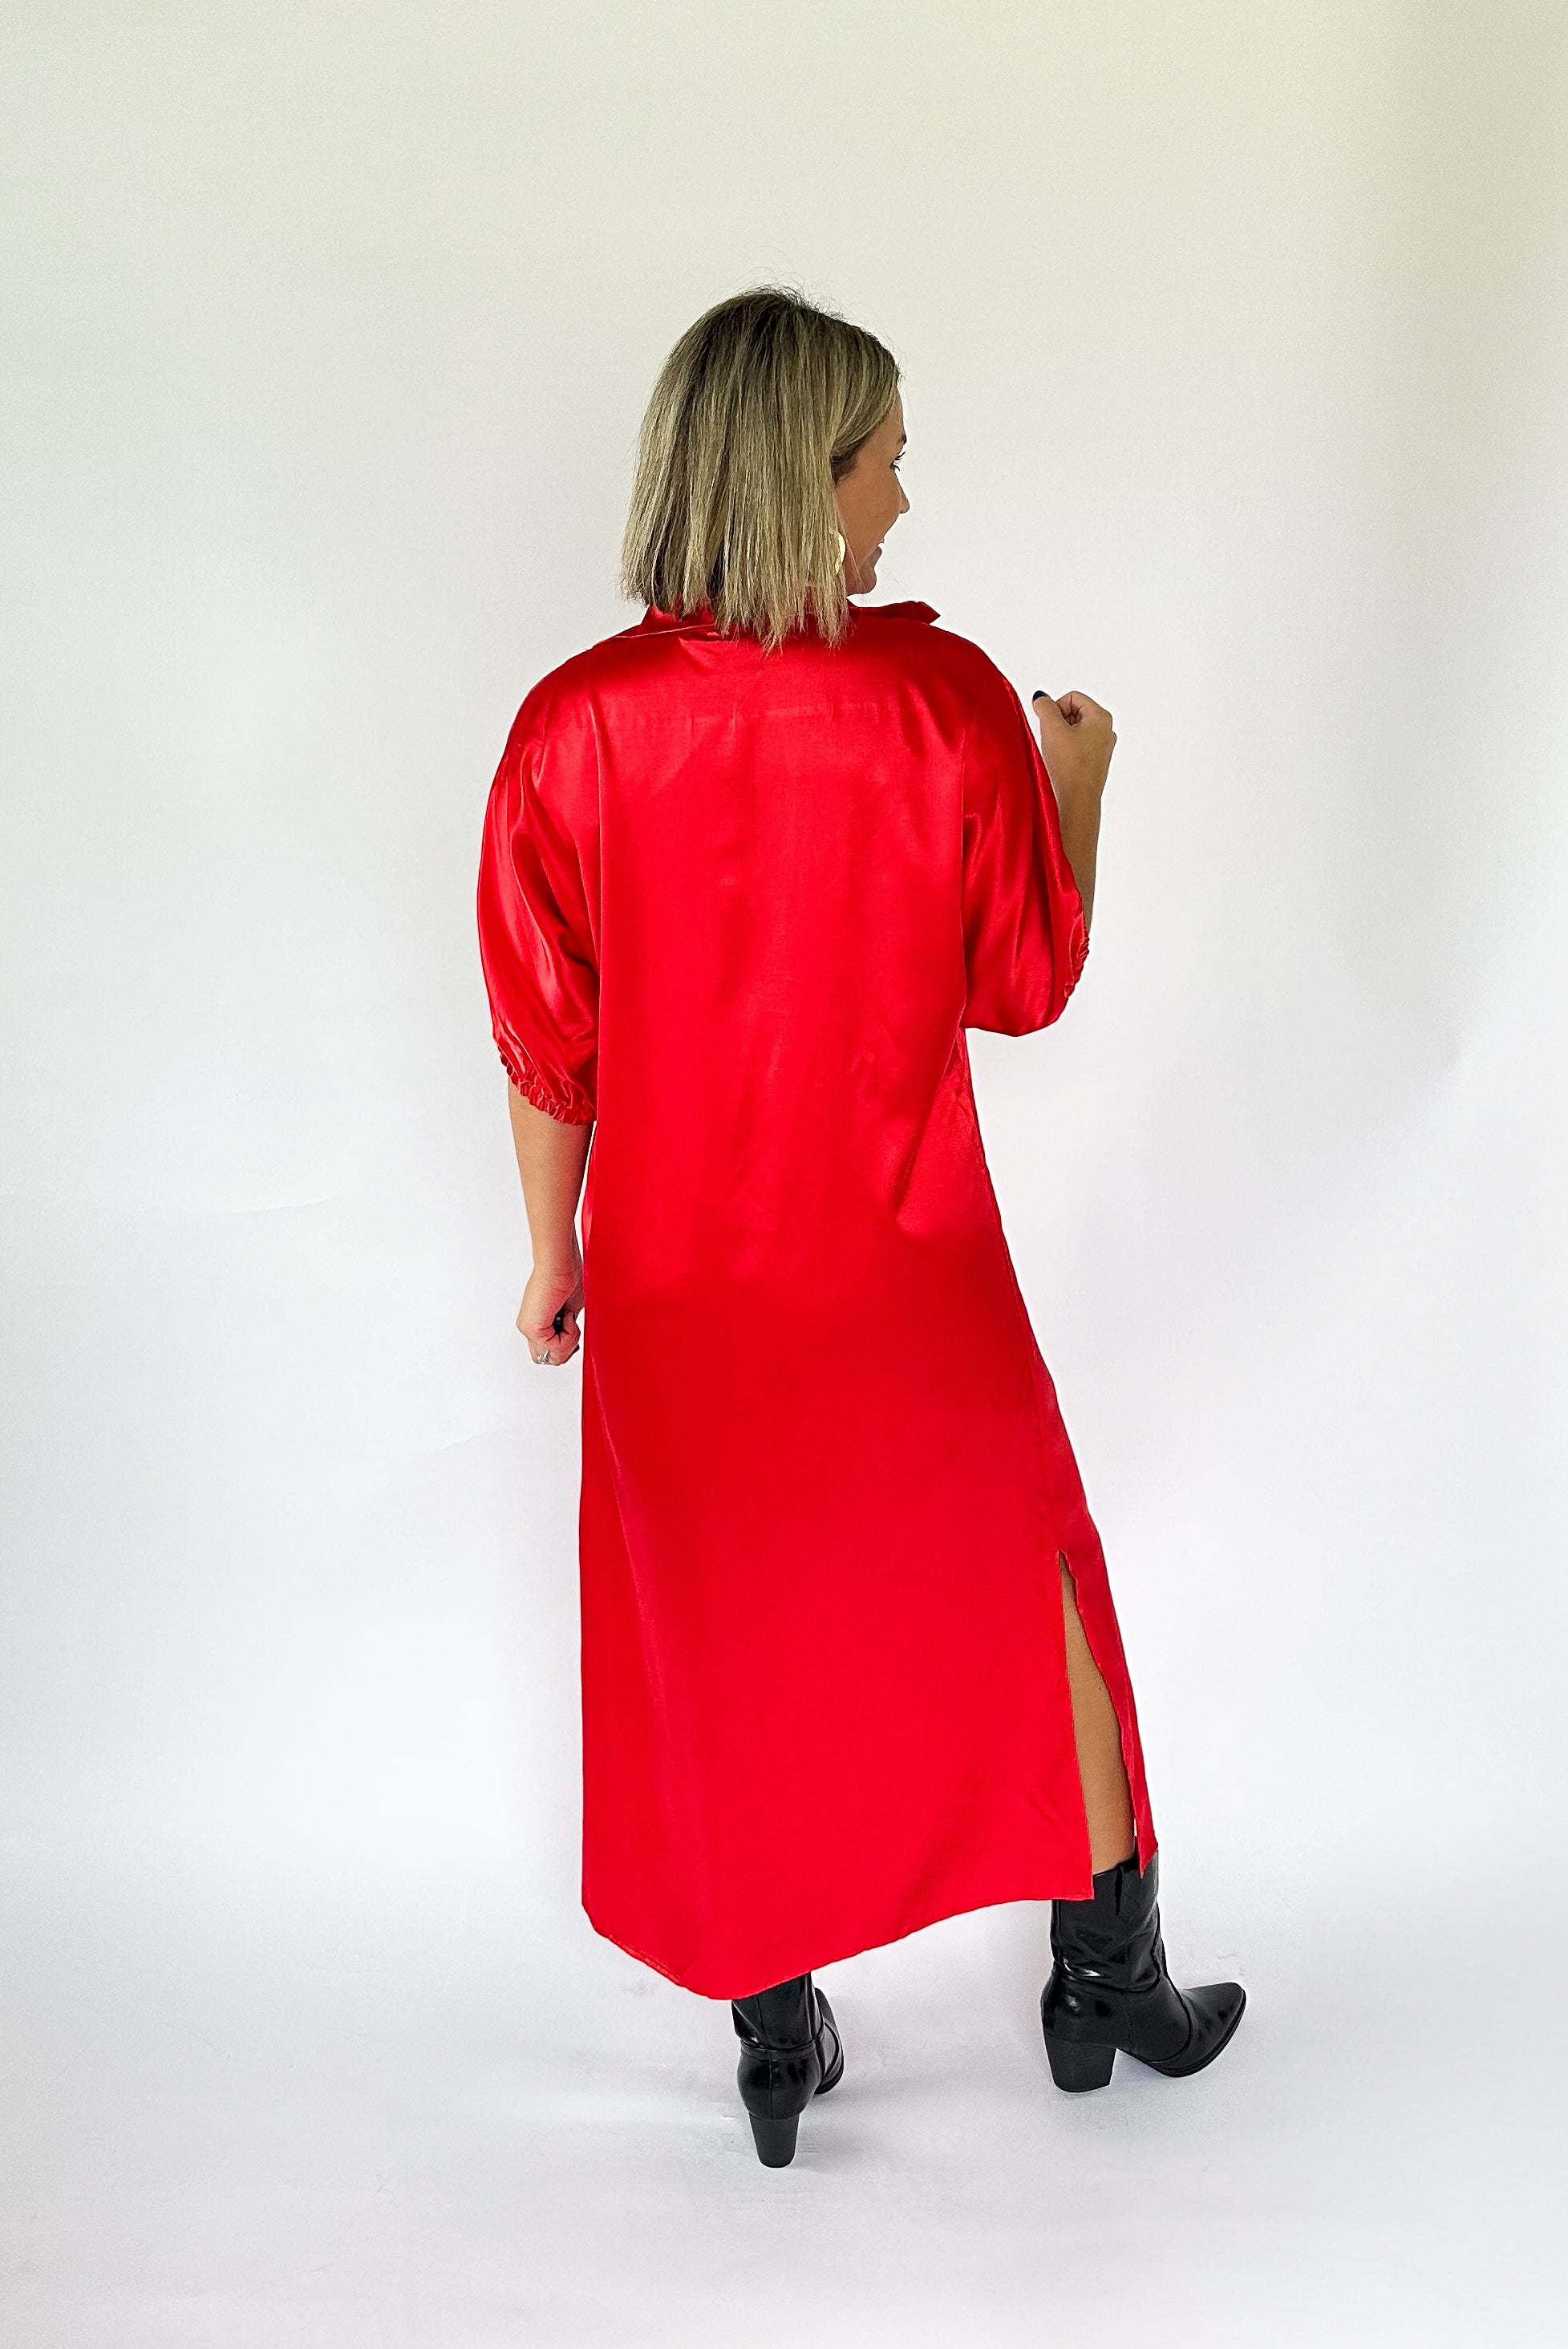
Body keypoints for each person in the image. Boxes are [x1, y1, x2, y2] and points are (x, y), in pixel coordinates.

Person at [476, 287, 1245, 2169]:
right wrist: (1075, 792)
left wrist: (555, 1251)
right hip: (903, 1270)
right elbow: (1022, 980)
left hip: (681, 1287)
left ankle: (773, 2033)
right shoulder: (939, 699)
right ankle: (1105, 1978)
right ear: (806, 480)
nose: (904, 493)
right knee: (1036, 1580)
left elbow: (547, 1037)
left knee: (729, 1629)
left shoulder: (571, 730)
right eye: (887, 457)